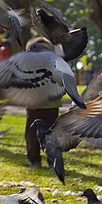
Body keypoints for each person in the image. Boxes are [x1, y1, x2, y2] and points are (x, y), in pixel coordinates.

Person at [22, 36, 62, 167]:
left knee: (51, 136)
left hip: (51, 107)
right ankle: (34, 159)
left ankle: (52, 160)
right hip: (34, 108)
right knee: (31, 136)